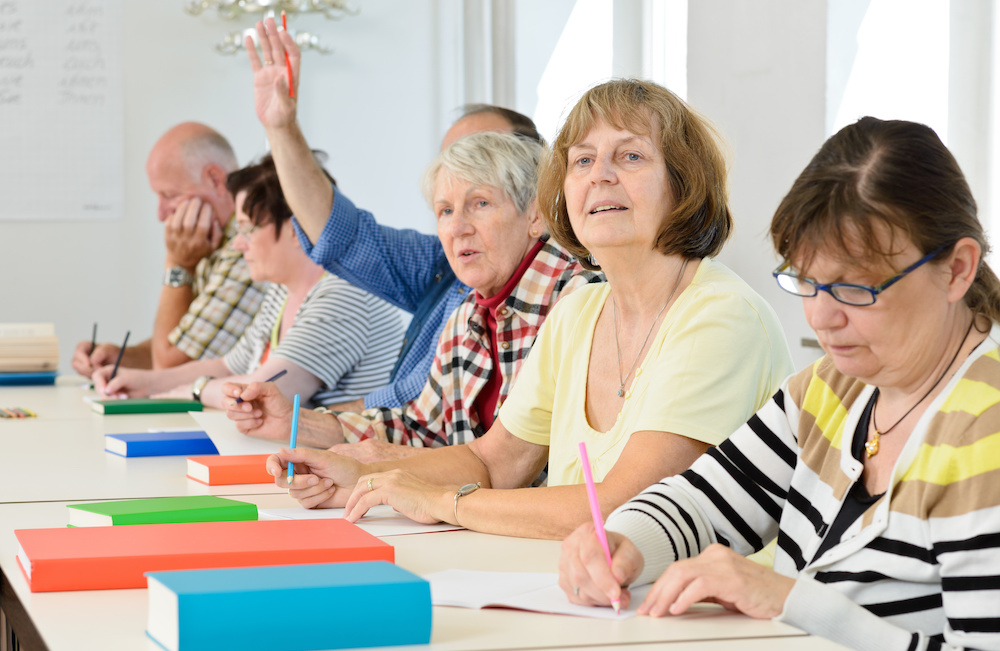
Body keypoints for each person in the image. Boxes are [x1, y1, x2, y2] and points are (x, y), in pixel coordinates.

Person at [255, 79, 794, 540]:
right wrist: (357, 476)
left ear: (684, 185)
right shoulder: (581, 310)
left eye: (630, 156)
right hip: (576, 584)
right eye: (582, 160)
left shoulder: (718, 314)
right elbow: (495, 461)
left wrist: (443, 502)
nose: (600, 174)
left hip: (700, 616)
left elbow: (625, 509)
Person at [558, 117, 1000, 651]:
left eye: (855, 288)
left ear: (956, 269)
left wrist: (793, 603)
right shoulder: (832, 389)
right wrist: (624, 543)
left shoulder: (986, 429)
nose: (821, 317)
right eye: (807, 281)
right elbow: (702, 503)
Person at [227, 131, 603, 461]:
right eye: (445, 211)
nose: (457, 228)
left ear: (535, 216)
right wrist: (296, 423)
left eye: (481, 203)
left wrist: (396, 477)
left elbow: (521, 471)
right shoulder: (468, 313)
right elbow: (420, 430)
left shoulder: (581, 303)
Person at [246, 17, 543, 411]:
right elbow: (342, 236)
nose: (457, 224)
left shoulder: (563, 290)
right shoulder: (444, 262)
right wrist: (280, 128)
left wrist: (324, 422)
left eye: (483, 160)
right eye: (450, 165)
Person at [93, 155, 403, 410]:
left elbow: (259, 397)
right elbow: (229, 367)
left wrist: (196, 389)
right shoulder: (284, 290)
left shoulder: (343, 294)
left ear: (298, 227)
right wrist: (143, 382)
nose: (238, 244)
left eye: (247, 229)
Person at [72, 123, 266, 374]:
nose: (161, 214)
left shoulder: (248, 247)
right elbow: (189, 342)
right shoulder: (213, 242)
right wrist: (120, 357)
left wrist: (178, 263)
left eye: (170, 195)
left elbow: (171, 368)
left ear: (216, 180)